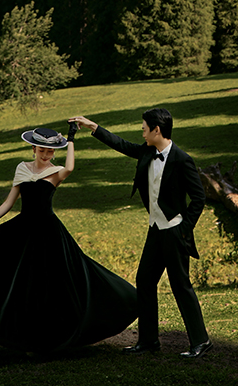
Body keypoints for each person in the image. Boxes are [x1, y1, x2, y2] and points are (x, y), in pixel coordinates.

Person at [0, 122, 137, 353]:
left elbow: (70, 167)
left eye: (50, 151)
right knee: (13, 280)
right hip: (23, 230)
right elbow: (9, 203)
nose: (46, 155)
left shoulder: (55, 172)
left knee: (63, 281)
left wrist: (70, 139)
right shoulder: (22, 169)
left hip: (49, 234)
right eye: (42, 150)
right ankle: (20, 335)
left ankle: (57, 334)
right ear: (33, 149)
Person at [74, 107, 212, 359]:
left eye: (144, 128)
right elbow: (121, 144)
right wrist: (93, 127)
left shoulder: (182, 160)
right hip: (155, 230)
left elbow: (199, 198)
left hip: (174, 233)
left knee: (180, 285)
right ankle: (149, 341)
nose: (142, 133)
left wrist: (184, 228)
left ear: (156, 130)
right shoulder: (147, 152)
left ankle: (201, 340)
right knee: (145, 281)